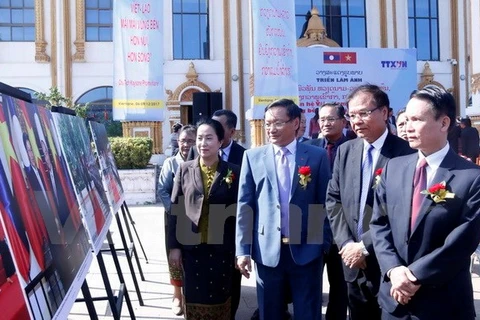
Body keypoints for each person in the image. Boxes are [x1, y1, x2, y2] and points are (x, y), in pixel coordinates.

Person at [370, 86, 480, 320]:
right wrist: (394, 270)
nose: (407, 127)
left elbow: (463, 241)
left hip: (443, 302)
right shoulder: (394, 168)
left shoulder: (471, 177)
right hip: (395, 300)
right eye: (406, 119)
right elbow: (379, 224)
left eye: (417, 120)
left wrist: (414, 276)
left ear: (444, 123)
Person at [236, 99, 331, 320]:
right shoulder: (253, 157)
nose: (271, 129)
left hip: (307, 251)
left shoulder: (316, 156)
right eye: (267, 123)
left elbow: (325, 203)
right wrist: (243, 250)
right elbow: (245, 205)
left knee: (308, 312)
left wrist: (322, 243)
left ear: (296, 123)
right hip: (268, 251)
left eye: (278, 123)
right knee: (270, 313)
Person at [326, 84, 414, 320]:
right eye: (352, 115)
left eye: (364, 113)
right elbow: (333, 200)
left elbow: (400, 212)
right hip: (352, 263)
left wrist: (363, 246)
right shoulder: (346, 151)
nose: (356, 121)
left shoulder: (407, 154)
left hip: (390, 264)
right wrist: (346, 244)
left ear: (384, 113)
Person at [169, 118, 240, 320]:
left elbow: (241, 213)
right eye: (199, 138)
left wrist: (242, 250)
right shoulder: (185, 169)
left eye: (209, 138)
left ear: (220, 142)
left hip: (223, 250)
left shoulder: (233, 171)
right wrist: (174, 247)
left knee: (221, 300)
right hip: (192, 249)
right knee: (194, 299)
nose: (203, 143)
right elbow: (175, 210)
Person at [305, 102, 349, 320]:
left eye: (331, 119)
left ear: (343, 121)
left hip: (343, 224)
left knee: (340, 283)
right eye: (321, 119)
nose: (325, 123)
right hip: (313, 223)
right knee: (310, 281)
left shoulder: (354, 146)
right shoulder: (309, 147)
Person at [158, 125, 197, 316]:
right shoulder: (170, 163)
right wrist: (175, 212)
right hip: (174, 218)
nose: (186, 145)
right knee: (174, 257)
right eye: (183, 141)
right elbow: (163, 191)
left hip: (197, 220)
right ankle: (177, 295)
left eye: (191, 141)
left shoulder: (203, 162)